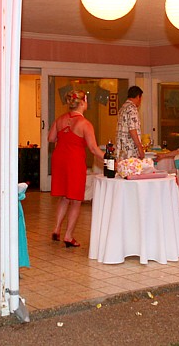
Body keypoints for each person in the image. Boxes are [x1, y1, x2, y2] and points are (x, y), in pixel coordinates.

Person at [49, 90, 105, 248]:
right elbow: (94, 149)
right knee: (76, 199)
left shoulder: (60, 119)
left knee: (64, 197)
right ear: (82, 103)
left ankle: (56, 228)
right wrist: (109, 159)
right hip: (74, 161)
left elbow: (51, 138)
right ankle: (68, 236)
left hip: (59, 158)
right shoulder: (85, 124)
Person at [115, 86, 145, 160]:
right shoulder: (132, 109)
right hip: (130, 150)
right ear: (138, 96)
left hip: (121, 148)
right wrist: (139, 147)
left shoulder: (122, 108)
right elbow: (132, 130)